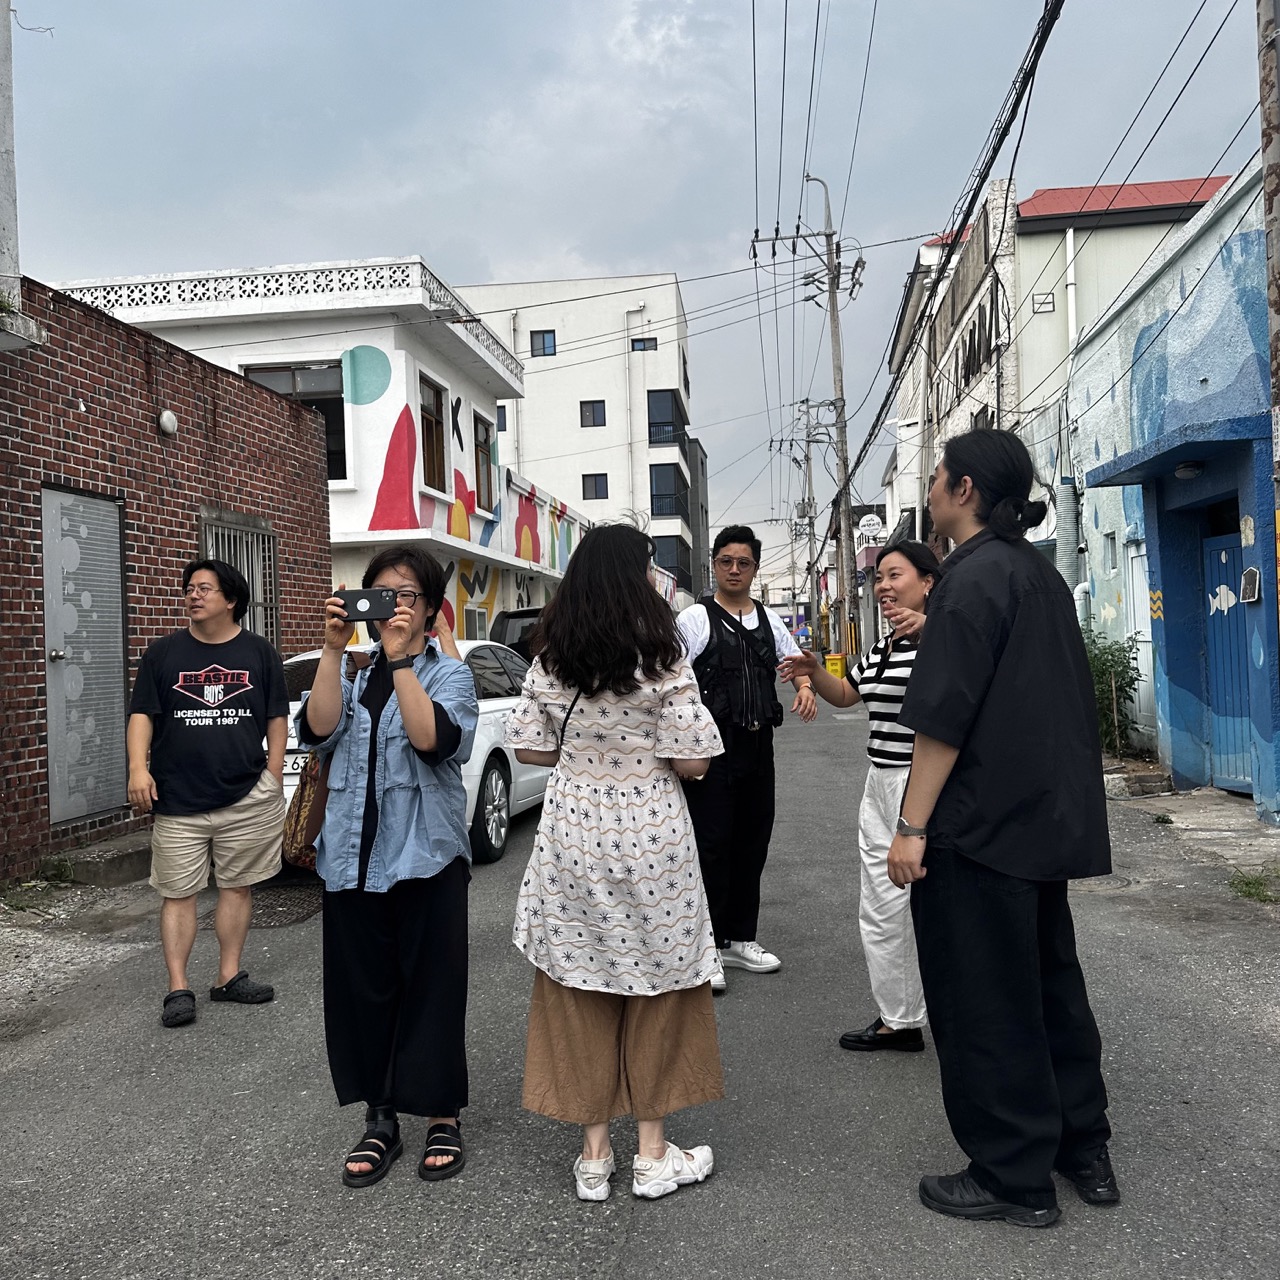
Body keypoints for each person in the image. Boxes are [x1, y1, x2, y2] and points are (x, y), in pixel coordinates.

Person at [887, 428, 1119, 1228]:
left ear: (966, 492)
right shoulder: (1035, 573)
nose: (930, 487)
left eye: (938, 475)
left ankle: (1013, 1175)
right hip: (1040, 820)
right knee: (1052, 987)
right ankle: (1082, 1149)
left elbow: (943, 721)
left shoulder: (967, 580)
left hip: (978, 827)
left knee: (985, 999)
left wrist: (911, 825)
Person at [505, 524, 725, 1202]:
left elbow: (529, 751)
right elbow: (692, 762)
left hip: (574, 831)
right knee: (659, 985)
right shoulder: (663, 658)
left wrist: (586, 752)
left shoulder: (551, 659)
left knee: (578, 984)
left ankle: (594, 1158)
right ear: (639, 577)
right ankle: (654, 1157)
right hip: (651, 835)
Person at [297, 545, 478, 1189]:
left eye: (408, 595)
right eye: (382, 593)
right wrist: (328, 649)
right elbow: (317, 731)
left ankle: (440, 1116)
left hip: (425, 858)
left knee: (431, 989)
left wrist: (402, 661)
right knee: (364, 992)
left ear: (430, 611)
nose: (394, 605)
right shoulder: (348, 673)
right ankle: (379, 1119)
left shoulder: (447, 675)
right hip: (350, 859)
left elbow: (433, 741)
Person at [779, 541, 939, 1052]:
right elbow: (848, 695)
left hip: (926, 786)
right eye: (880, 579)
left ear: (928, 582)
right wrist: (813, 671)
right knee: (882, 906)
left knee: (938, 905)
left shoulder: (947, 637)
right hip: (880, 782)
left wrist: (935, 632)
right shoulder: (885, 644)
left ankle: (968, 1016)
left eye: (896, 576)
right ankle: (900, 1018)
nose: (885, 587)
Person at [127, 559, 288, 1029]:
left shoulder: (259, 653)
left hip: (246, 794)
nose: (193, 596)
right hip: (178, 798)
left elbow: (277, 716)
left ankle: (228, 976)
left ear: (231, 600)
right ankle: (178, 989)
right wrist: (139, 768)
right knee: (178, 893)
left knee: (237, 887)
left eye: (204, 589)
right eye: (189, 589)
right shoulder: (162, 655)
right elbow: (142, 716)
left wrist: (273, 775)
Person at [677, 525, 817, 992]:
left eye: (744, 562)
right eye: (726, 561)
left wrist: (804, 687)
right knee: (712, 846)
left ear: (755, 568)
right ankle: (708, 947)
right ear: (713, 564)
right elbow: (670, 679)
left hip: (759, 749)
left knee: (753, 842)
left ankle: (741, 939)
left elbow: (796, 663)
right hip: (711, 754)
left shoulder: (770, 621)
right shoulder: (695, 620)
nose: (734, 570)